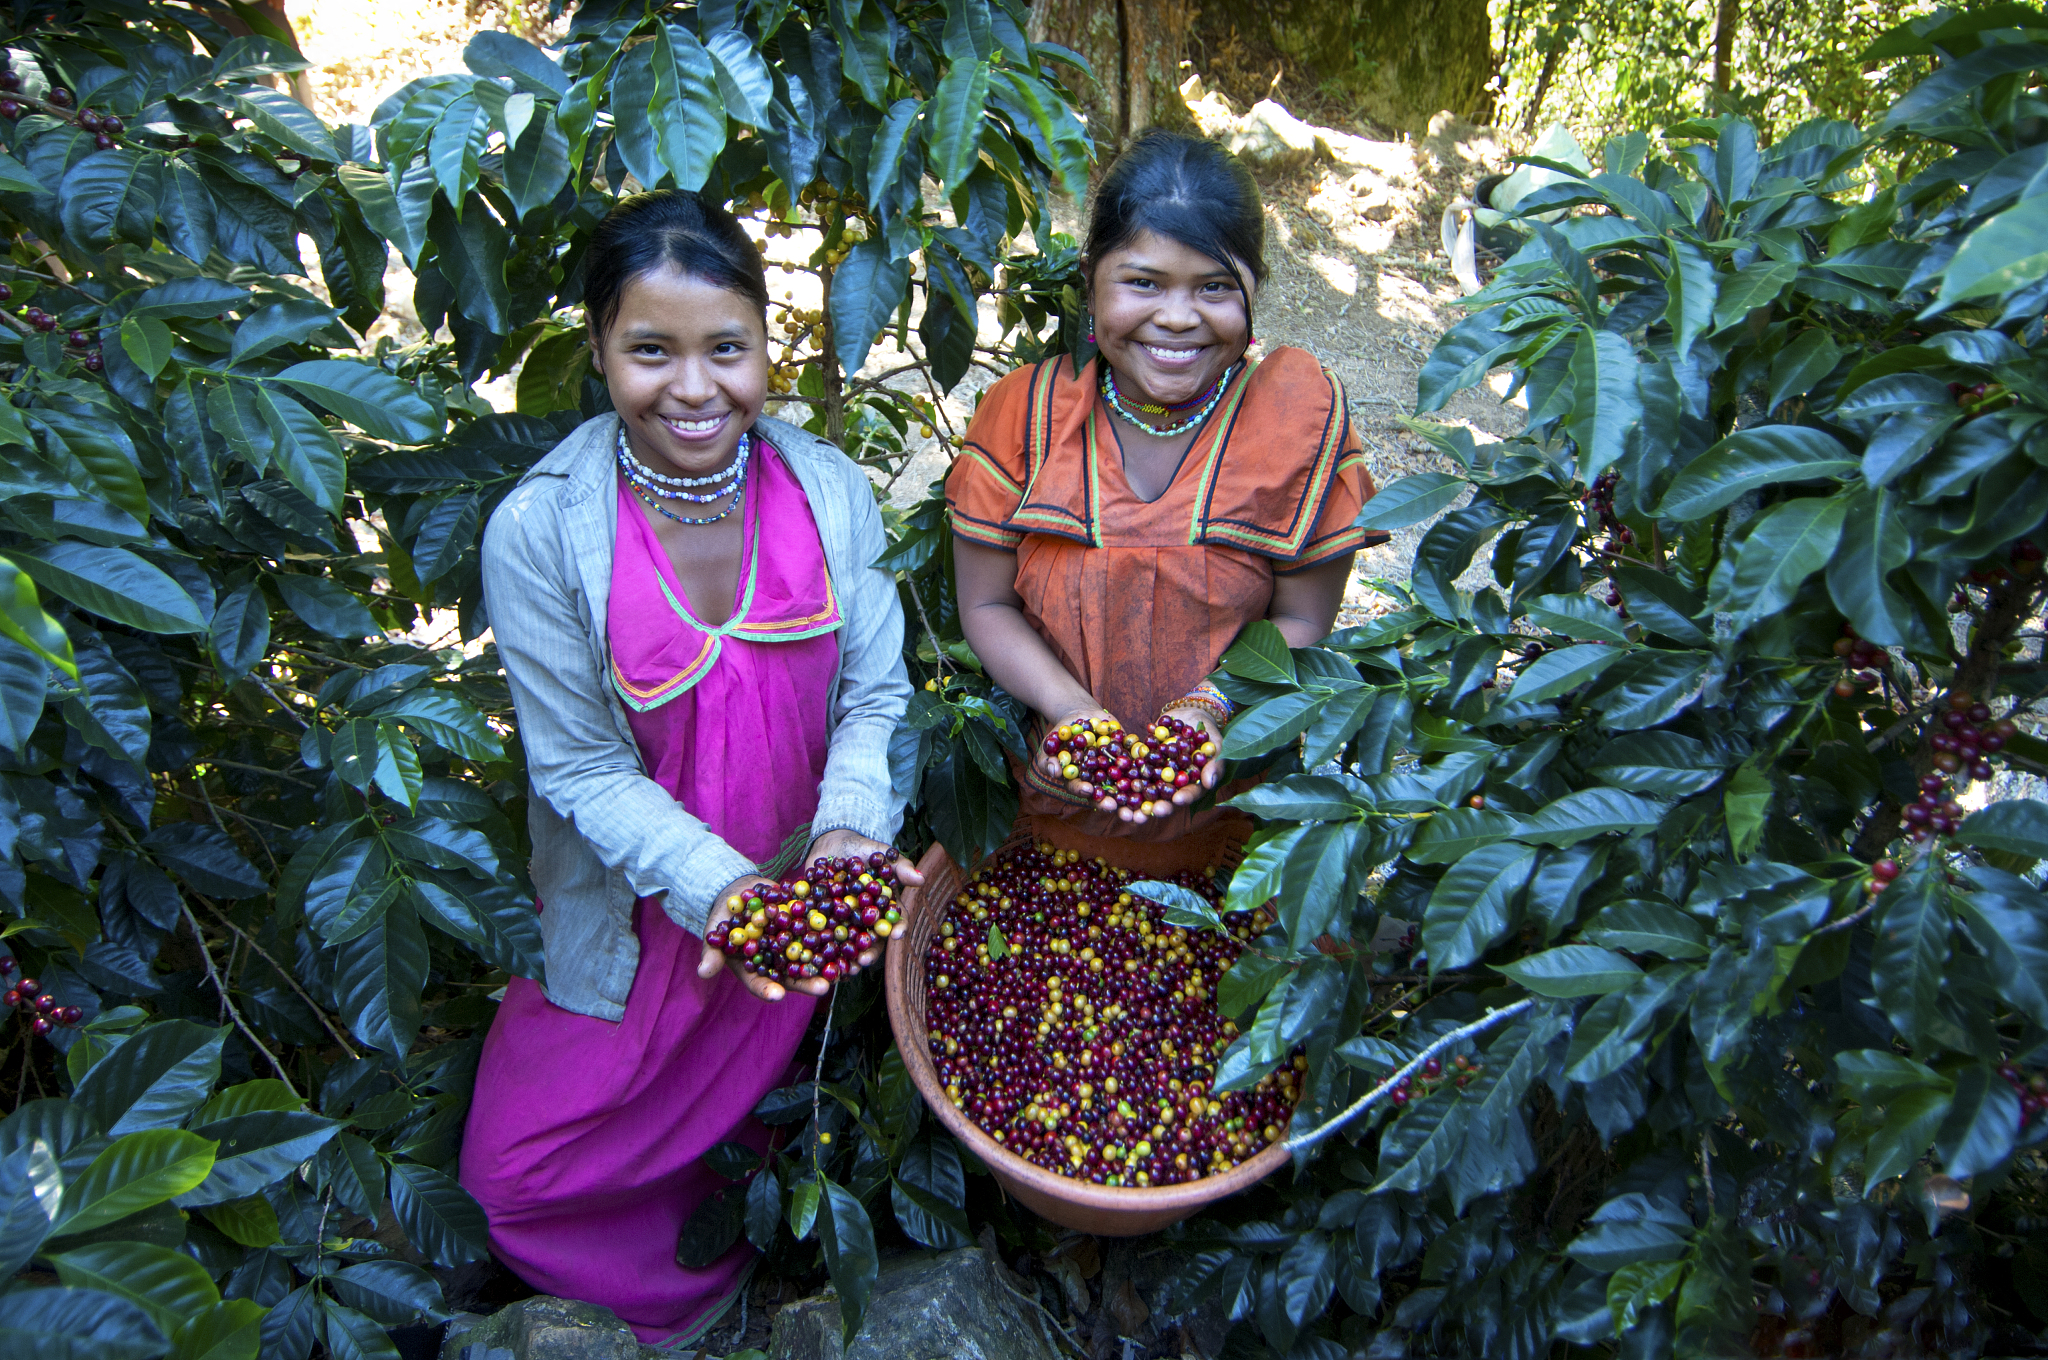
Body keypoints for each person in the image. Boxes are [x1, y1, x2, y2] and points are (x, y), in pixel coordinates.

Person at [464, 190, 916, 1347]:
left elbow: (872, 692)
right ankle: (645, 1305)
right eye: (649, 351)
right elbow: (578, 769)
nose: (695, 387)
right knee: (513, 1171)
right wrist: (725, 894)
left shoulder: (829, 490)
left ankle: (734, 1251)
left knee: (743, 1119)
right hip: (650, 903)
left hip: (794, 894)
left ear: (768, 346)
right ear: (599, 351)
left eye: (727, 348)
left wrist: (847, 837)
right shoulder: (542, 530)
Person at [948, 129, 1387, 849]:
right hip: (1052, 812)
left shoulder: (1293, 424)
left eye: (1215, 286)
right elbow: (987, 603)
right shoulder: (1023, 418)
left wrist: (1212, 706)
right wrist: (1072, 714)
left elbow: (1305, 619)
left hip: (1238, 822)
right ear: (1091, 281)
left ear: (1255, 289)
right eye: (1143, 282)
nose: (1178, 318)